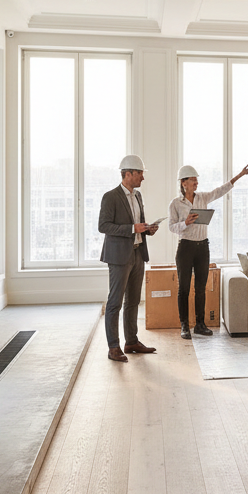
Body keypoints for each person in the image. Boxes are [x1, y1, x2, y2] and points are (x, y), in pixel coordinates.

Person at [169, 162, 248, 339]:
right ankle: (184, 326)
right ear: (183, 183)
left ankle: (200, 324)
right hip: (185, 248)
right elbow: (171, 227)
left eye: (197, 180)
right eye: (193, 180)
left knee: (200, 288)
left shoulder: (203, 198)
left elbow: (220, 190)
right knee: (183, 288)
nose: (196, 183)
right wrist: (186, 223)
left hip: (202, 247)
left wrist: (239, 175)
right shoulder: (175, 203)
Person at [99, 155, 160, 363]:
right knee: (115, 302)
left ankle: (131, 341)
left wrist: (147, 229)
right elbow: (103, 226)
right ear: (128, 174)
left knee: (133, 300)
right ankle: (113, 346)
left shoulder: (138, 196)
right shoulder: (110, 197)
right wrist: (132, 229)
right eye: (140, 173)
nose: (143, 177)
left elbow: (138, 224)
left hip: (137, 253)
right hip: (118, 256)